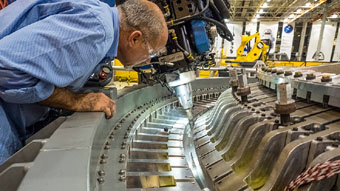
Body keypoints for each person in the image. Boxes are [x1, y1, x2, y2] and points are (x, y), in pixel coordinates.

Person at [0, 0, 168, 164]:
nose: (146, 60)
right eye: (150, 53)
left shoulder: (97, 14)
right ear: (134, 38)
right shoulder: (97, 31)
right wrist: (76, 101)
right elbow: (7, 67)